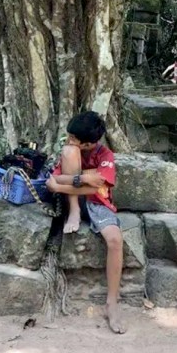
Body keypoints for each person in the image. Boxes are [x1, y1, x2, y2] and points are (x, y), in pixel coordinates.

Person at [45, 111, 126, 334]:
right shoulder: (70, 152)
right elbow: (54, 177)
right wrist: (85, 177)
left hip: (99, 203)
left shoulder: (105, 154)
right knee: (69, 153)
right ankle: (74, 212)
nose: (68, 140)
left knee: (115, 240)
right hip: (74, 199)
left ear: (89, 143)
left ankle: (112, 303)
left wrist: (65, 183)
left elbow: (97, 187)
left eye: (73, 138)